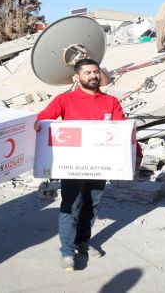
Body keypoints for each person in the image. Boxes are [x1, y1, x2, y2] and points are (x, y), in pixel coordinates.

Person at [36, 58, 140, 272]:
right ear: (77, 77)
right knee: (71, 205)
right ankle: (66, 251)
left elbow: (123, 131)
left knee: (92, 204)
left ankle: (82, 242)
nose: (93, 76)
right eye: (88, 73)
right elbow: (43, 120)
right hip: (73, 165)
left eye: (96, 72)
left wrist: (136, 153)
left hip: (100, 165)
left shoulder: (111, 101)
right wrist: (37, 127)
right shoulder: (65, 100)